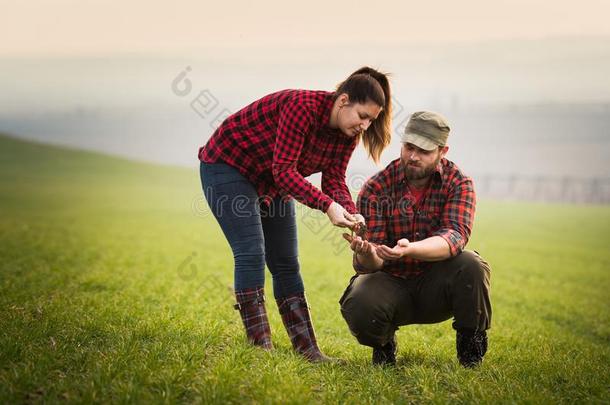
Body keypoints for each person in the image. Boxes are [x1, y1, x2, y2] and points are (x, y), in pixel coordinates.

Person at [198, 67, 392, 362]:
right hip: (229, 166)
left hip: (272, 182)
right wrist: (327, 206)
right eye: (362, 116)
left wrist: (351, 213)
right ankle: (259, 347)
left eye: (371, 120)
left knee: (286, 261)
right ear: (343, 101)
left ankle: (309, 351)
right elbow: (285, 171)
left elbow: (335, 180)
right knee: (251, 250)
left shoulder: (346, 133)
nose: (365, 125)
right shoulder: (302, 108)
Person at [340, 111, 492, 368]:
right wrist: (366, 253)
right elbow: (372, 262)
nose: (413, 156)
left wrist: (410, 249)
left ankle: (470, 352)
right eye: (409, 147)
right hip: (392, 282)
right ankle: (384, 346)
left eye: (423, 151)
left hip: (437, 285)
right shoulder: (376, 187)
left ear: (443, 151)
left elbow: (454, 237)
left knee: (471, 265)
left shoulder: (459, 183)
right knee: (360, 298)